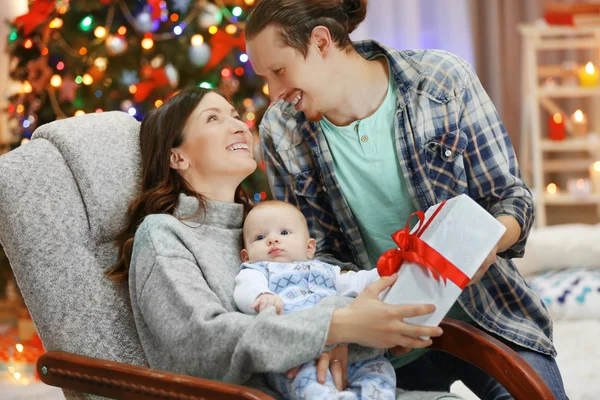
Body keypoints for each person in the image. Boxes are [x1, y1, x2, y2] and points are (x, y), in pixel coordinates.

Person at [244, 0, 568, 399]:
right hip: (383, 345)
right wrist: (340, 330)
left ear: (322, 41)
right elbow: (316, 255)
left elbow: (510, 197)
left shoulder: (441, 80)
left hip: (490, 316)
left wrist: (487, 244)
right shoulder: (282, 130)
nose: (274, 93)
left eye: (279, 71)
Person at [105, 87, 459, 400]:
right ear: (177, 157)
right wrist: (337, 326)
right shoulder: (163, 233)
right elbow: (202, 345)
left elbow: (327, 280)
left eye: (234, 115)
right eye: (213, 118)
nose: (239, 124)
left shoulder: (259, 225)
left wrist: (351, 328)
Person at [235, 200, 395, 399]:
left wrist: (390, 272)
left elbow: (359, 282)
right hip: (298, 354)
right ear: (246, 256)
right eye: (260, 237)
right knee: (313, 387)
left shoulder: (327, 270)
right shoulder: (257, 270)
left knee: (379, 371)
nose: (273, 240)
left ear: (309, 248)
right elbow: (245, 288)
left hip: (350, 349)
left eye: (284, 233)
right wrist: (261, 296)